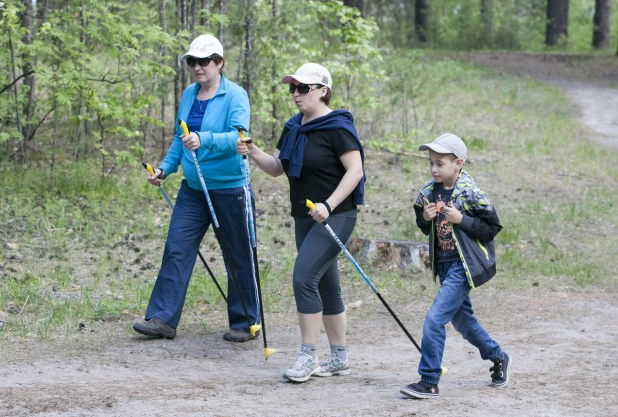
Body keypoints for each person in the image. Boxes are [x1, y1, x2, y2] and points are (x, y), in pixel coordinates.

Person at [236, 63, 365, 382]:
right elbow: (277, 167)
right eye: (293, 88)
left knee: (303, 278)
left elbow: (355, 171)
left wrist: (329, 204)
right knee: (326, 284)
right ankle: (339, 358)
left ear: (323, 91)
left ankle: (308, 356)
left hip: (338, 215)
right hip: (304, 216)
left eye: (303, 88)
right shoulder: (293, 127)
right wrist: (253, 151)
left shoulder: (338, 127)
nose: (296, 94)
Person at [133, 34, 260, 343]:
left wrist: (205, 139)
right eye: (192, 61)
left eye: (204, 61)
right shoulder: (190, 94)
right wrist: (165, 169)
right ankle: (162, 318)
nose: (198, 67)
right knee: (176, 248)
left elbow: (240, 139)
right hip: (193, 189)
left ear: (219, 63)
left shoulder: (235, 95)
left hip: (230, 189)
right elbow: (180, 138)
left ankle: (245, 323)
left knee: (238, 255)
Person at [400, 133, 510, 398]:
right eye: (431, 163)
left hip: (464, 265)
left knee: (435, 319)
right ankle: (498, 356)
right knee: (464, 322)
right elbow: (421, 221)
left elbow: (491, 228)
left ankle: (429, 380)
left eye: (440, 163)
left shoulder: (470, 192)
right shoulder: (428, 192)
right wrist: (425, 219)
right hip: (445, 264)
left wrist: (462, 219)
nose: (434, 169)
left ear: (458, 163)